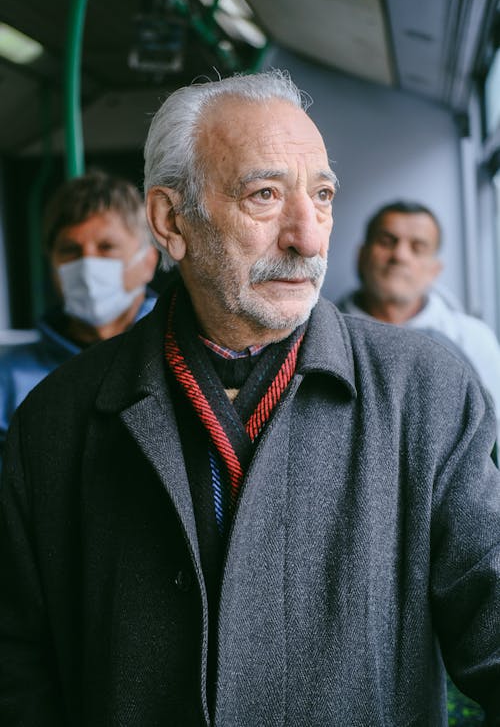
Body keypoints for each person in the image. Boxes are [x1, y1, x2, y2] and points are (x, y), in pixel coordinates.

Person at [0, 71, 499, 727]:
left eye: (321, 196)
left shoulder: (425, 392)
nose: (309, 237)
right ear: (171, 221)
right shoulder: (57, 420)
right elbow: (18, 665)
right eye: (266, 194)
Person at [0, 170, 158, 462]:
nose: (87, 266)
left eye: (106, 248)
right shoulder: (9, 381)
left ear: (148, 262)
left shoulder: (179, 356)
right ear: (52, 264)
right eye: (71, 250)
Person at [336, 200, 500, 433]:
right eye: (387, 241)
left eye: (418, 247)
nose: (400, 255)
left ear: (434, 270)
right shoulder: (318, 335)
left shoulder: (474, 340)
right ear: (362, 256)